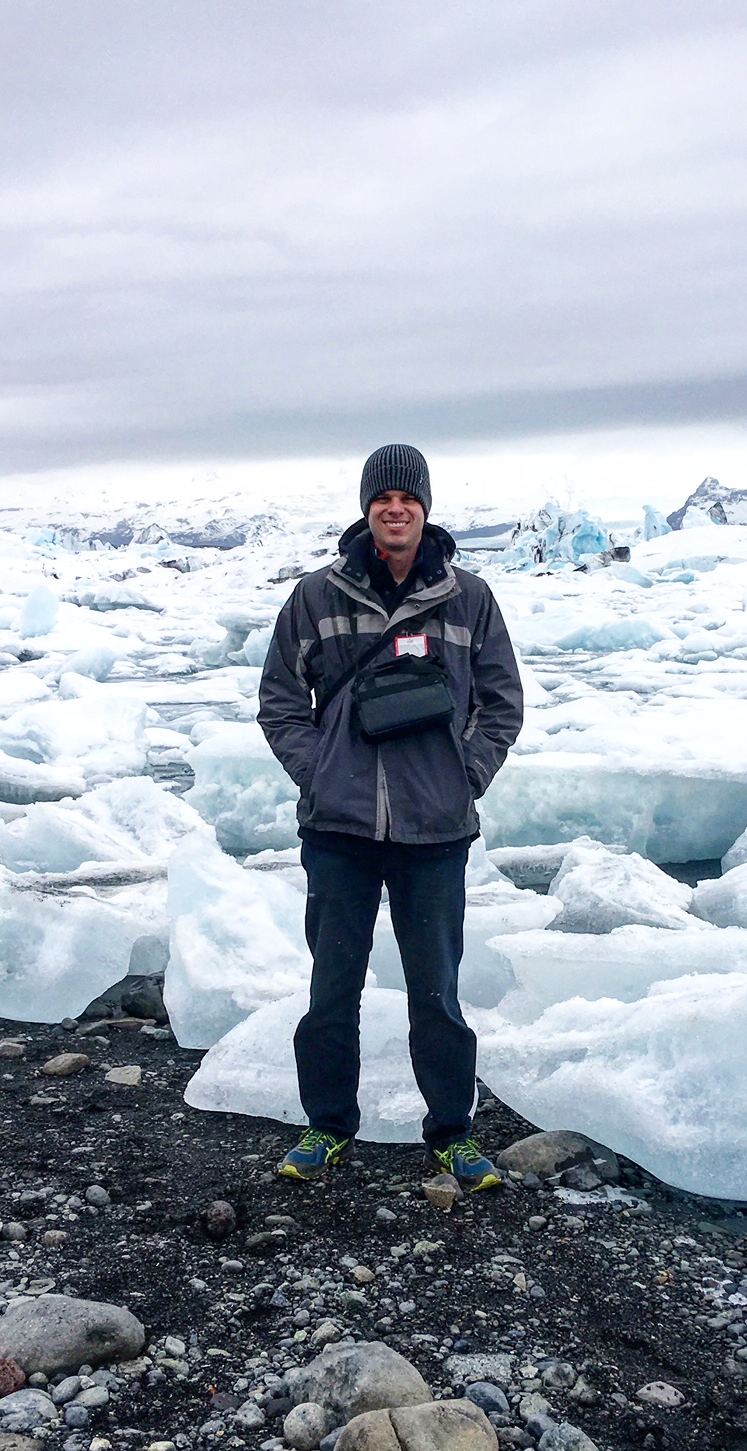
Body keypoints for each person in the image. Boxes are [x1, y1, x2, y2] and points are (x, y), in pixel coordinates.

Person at [258, 443, 523, 1189]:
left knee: (436, 989)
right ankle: (328, 1127)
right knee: (332, 985)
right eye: (383, 498)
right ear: (367, 507)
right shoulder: (316, 596)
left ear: (425, 508)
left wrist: (464, 776)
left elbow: (501, 704)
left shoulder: (468, 599)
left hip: (434, 830)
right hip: (338, 830)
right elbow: (280, 699)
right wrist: (318, 771)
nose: (395, 508)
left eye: (408, 497)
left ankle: (450, 1134)